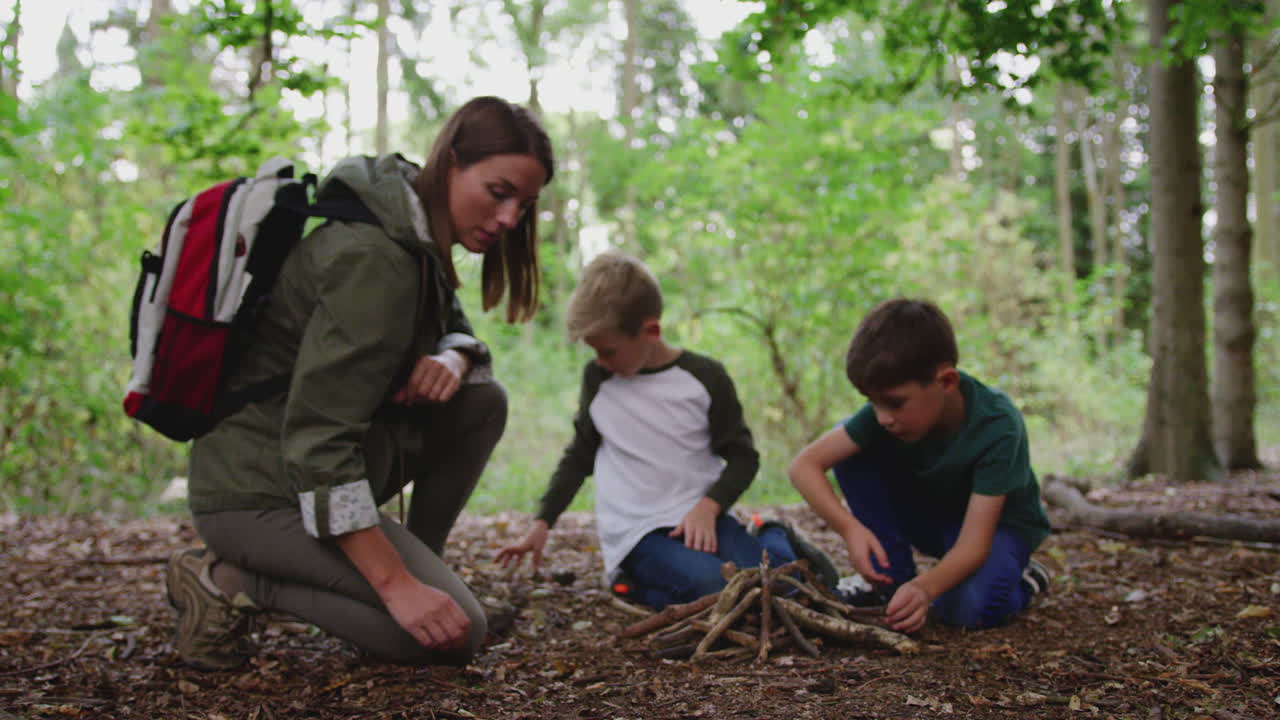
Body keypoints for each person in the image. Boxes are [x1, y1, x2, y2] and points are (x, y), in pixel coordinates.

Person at [164, 96, 555, 670]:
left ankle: (429, 571)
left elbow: (461, 334)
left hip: (299, 477)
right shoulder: (376, 259)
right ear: (450, 163)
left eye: (524, 205)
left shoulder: (412, 238)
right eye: (498, 193)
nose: (508, 220)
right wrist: (396, 586)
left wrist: (452, 356)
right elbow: (318, 445)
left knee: (481, 401)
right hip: (257, 494)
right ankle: (228, 578)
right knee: (451, 637)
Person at [496, 251, 834, 609]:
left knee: (780, 587)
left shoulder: (705, 378)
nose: (600, 361)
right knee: (716, 590)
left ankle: (770, 533)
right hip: (638, 531)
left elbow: (742, 457)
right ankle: (628, 583)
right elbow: (580, 455)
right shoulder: (599, 380)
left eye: (608, 351)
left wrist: (708, 507)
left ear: (651, 331)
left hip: (702, 518)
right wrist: (542, 523)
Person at [788, 298, 1052, 634]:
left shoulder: (997, 425)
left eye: (895, 403)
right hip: (932, 518)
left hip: (994, 530)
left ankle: (1026, 578)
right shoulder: (886, 414)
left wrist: (926, 588)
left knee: (967, 609)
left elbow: (973, 545)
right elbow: (803, 466)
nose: (883, 417)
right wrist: (850, 529)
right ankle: (891, 578)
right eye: (873, 403)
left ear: (946, 382)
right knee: (853, 452)